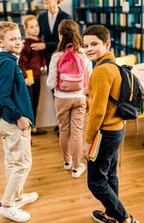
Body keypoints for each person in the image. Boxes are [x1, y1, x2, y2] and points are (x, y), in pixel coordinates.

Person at [82, 25, 139, 223]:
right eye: (86, 45)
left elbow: (98, 113)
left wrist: (87, 141)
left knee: (96, 182)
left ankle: (124, 218)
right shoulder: (114, 67)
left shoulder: (101, 71)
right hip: (118, 129)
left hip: (103, 134)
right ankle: (110, 214)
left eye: (94, 44)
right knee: (110, 174)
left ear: (107, 44)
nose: (89, 49)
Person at [0, 22, 38, 222]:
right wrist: (19, 117)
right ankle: (6, 205)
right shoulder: (8, 63)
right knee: (22, 164)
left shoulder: (10, 60)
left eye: (19, 38)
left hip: (12, 123)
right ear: (1, 42)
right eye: (12, 39)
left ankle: (17, 196)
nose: (18, 42)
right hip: (14, 123)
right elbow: (3, 96)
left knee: (14, 163)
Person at [47, 19, 92, 178]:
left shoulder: (56, 56)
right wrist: (85, 96)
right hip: (79, 98)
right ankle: (76, 168)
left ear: (60, 36)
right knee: (77, 133)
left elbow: (51, 83)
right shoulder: (83, 54)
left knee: (64, 131)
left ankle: (66, 162)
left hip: (61, 98)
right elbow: (89, 80)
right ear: (77, 35)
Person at [31, 0, 71, 74]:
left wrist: (46, 45)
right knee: (52, 85)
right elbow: (39, 36)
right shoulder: (41, 17)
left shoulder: (66, 17)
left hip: (63, 57)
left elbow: (67, 40)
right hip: (48, 58)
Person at [18, 15, 47, 135]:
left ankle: (33, 128)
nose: (35, 28)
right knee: (29, 103)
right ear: (26, 29)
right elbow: (21, 62)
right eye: (31, 27)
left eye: (36, 26)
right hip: (29, 76)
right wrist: (25, 77)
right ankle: (28, 129)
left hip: (37, 76)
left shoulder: (40, 42)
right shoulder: (27, 44)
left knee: (35, 103)